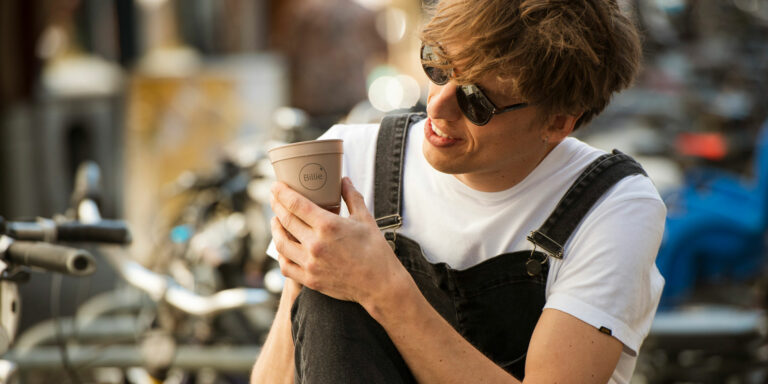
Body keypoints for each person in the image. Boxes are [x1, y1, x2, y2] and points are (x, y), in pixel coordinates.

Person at [252, 0, 665, 383]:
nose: (436, 106)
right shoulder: (352, 156)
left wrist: (381, 288)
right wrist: (305, 270)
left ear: (557, 123)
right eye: (437, 68)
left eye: (475, 101)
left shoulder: (615, 204)